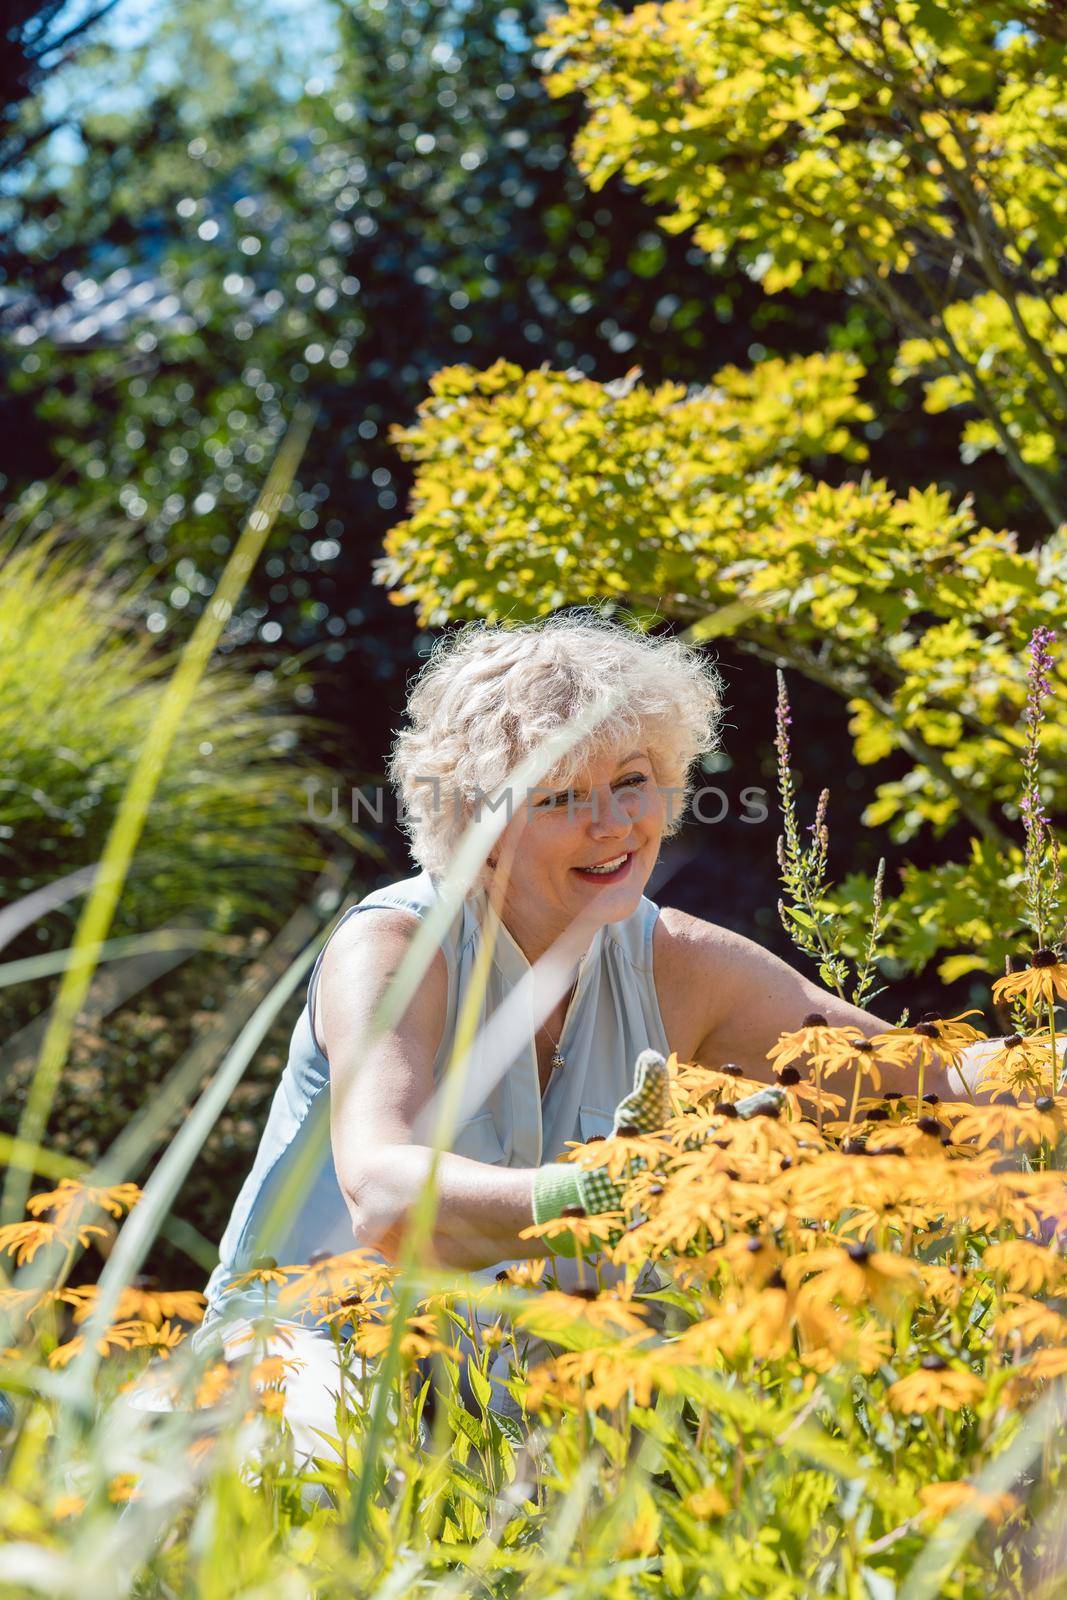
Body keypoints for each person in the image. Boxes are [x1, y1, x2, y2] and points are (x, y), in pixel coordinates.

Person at [139, 609, 987, 1465]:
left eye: (632, 778)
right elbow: (388, 1201)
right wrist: (611, 1203)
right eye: (559, 797)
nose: (615, 823)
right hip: (308, 1366)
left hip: (530, 1393)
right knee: (329, 1453)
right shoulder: (396, 947)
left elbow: (937, 1084)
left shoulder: (678, 961)